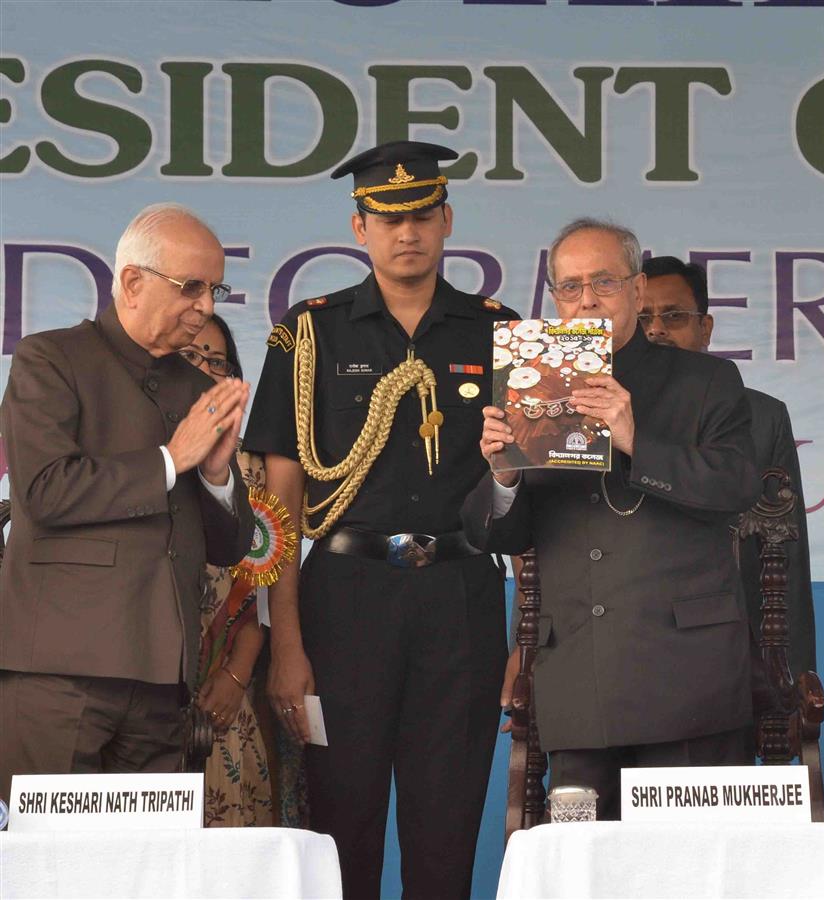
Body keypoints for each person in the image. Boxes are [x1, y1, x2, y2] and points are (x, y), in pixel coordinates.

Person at [242, 142, 516, 898]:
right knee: (340, 823)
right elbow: (280, 501)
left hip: (460, 597)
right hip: (343, 599)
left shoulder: (499, 331)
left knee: (447, 826)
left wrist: (528, 635)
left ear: (448, 221)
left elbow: (529, 500)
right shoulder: (311, 332)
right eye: (387, 219)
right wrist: (287, 641)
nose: (408, 234)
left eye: (423, 216)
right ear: (358, 228)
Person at [466, 218, 760, 821]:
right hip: (578, 675)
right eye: (570, 288)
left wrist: (634, 438)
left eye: (603, 282)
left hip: (685, 676)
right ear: (553, 299)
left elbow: (735, 488)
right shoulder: (530, 380)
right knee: (583, 875)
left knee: (687, 874)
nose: (587, 300)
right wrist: (504, 474)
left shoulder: (706, 380)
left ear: (637, 288)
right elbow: (493, 533)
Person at [0, 203, 253, 806]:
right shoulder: (50, 358)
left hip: (166, 683)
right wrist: (171, 460)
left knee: (149, 868)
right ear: (133, 282)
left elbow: (230, 547)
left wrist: (218, 476)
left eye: (214, 289)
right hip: (59, 675)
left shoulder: (199, 389)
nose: (207, 307)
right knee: (45, 870)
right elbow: (43, 493)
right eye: (190, 287)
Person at [639, 255, 817, 679]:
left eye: (674, 316)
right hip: (617, 641)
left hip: (726, 650)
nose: (656, 329)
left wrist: (793, 676)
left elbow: (784, 555)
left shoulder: (761, 416)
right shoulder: (596, 415)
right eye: (643, 317)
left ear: (706, 327)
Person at [183, 314, 308, 827]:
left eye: (219, 361)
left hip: (227, 692)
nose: (207, 369)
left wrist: (236, 674)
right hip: (137, 691)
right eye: (192, 356)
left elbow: (263, 584)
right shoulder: (137, 459)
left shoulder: (254, 468)